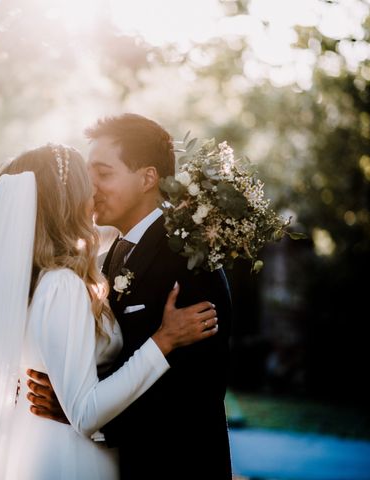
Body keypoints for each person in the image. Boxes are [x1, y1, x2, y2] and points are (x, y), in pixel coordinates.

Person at [0, 143, 219, 479]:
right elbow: (84, 412)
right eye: (87, 181)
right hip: (71, 459)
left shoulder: (39, 279)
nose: (95, 190)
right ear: (66, 200)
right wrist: (163, 341)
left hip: (47, 446)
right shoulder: (62, 285)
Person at [27, 114, 234, 479]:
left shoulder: (189, 261)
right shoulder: (109, 259)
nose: (90, 187)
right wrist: (77, 404)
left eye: (103, 173)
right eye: (88, 174)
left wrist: (90, 421)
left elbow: (192, 393)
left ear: (147, 178)